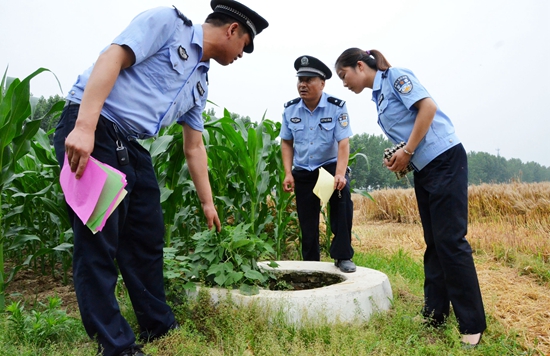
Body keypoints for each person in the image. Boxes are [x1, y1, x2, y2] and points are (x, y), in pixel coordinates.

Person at [53, 1, 268, 355]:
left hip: (131, 145)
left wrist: (208, 202)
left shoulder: (200, 82)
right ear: (232, 30)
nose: (242, 54)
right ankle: (115, 344)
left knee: (147, 236)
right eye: (245, 45)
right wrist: (84, 126)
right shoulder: (169, 24)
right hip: (96, 128)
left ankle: (157, 324)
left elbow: (194, 147)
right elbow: (112, 57)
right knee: (98, 241)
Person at [334, 48, 486, 347]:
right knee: (434, 241)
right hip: (425, 168)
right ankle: (435, 314)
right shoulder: (378, 96)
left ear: (360, 66)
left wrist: (407, 151)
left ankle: (472, 324)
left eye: (343, 75)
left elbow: (427, 108)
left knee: (451, 241)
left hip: (444, 160)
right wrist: (400, 156)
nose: (344, 83)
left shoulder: (395, 78)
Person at [280, 55, 356, 273]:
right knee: (307, 220)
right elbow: (286, 142)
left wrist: (340, 174)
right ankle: (311, 262)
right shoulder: (290, 109)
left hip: (328, 168)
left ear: (322, 83)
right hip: (304, 169)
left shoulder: (336, 107)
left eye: (308, 80)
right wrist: (288, 172)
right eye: (300, 80)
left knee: (342, 204)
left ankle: (342, 256)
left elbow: (343, 142)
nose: (303, 85)